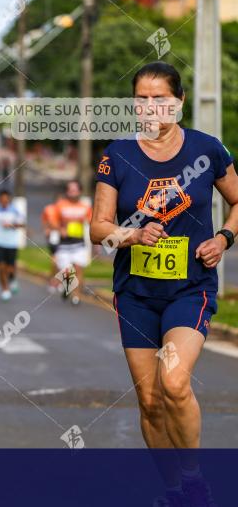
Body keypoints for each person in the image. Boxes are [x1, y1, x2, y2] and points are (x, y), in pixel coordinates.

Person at [91, 61, 238, 505]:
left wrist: (224, 237)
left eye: (160, 99)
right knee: (151, 401)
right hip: (136, 292)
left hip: (190, 288)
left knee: (173, 382)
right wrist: (131, 234)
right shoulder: (116, 155)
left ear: (179, 102)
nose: (150, 107)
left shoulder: (207, 150)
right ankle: (174, 490)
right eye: (141, 99)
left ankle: (193, 478)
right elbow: (99, 228)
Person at [54, 180, 93, 305]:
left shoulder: (85, 207)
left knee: (78, 270)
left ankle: (76, 296)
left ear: (80, 192)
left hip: (79, 244)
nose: (72, 193)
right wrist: (60, 229)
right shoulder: (60, 205)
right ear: (67, 192)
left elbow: (92, 223)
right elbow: (52, 221)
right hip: (64, 244)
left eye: (75, 190)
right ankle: (68, 287)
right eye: (70, 190)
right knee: (67, 273)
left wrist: (96, 244)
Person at [0, 189, 25, 301]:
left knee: (10, 268)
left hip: (11, 243)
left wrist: (12, 225)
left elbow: (22, 224)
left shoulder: (15, 211)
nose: (4, 202)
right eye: (2, 200)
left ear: (9, 200)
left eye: (6, 200)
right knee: (0, 267)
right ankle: (5, 289)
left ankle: (12, 278)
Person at [41, 197, 61, 293]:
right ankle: (53, 282)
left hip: (65, 238)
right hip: (54, 237)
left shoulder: (66, 210)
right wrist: (47, 230)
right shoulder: (49, 209)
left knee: (63, 263)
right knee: (55, 262)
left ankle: (60, 282)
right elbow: (45, 221)